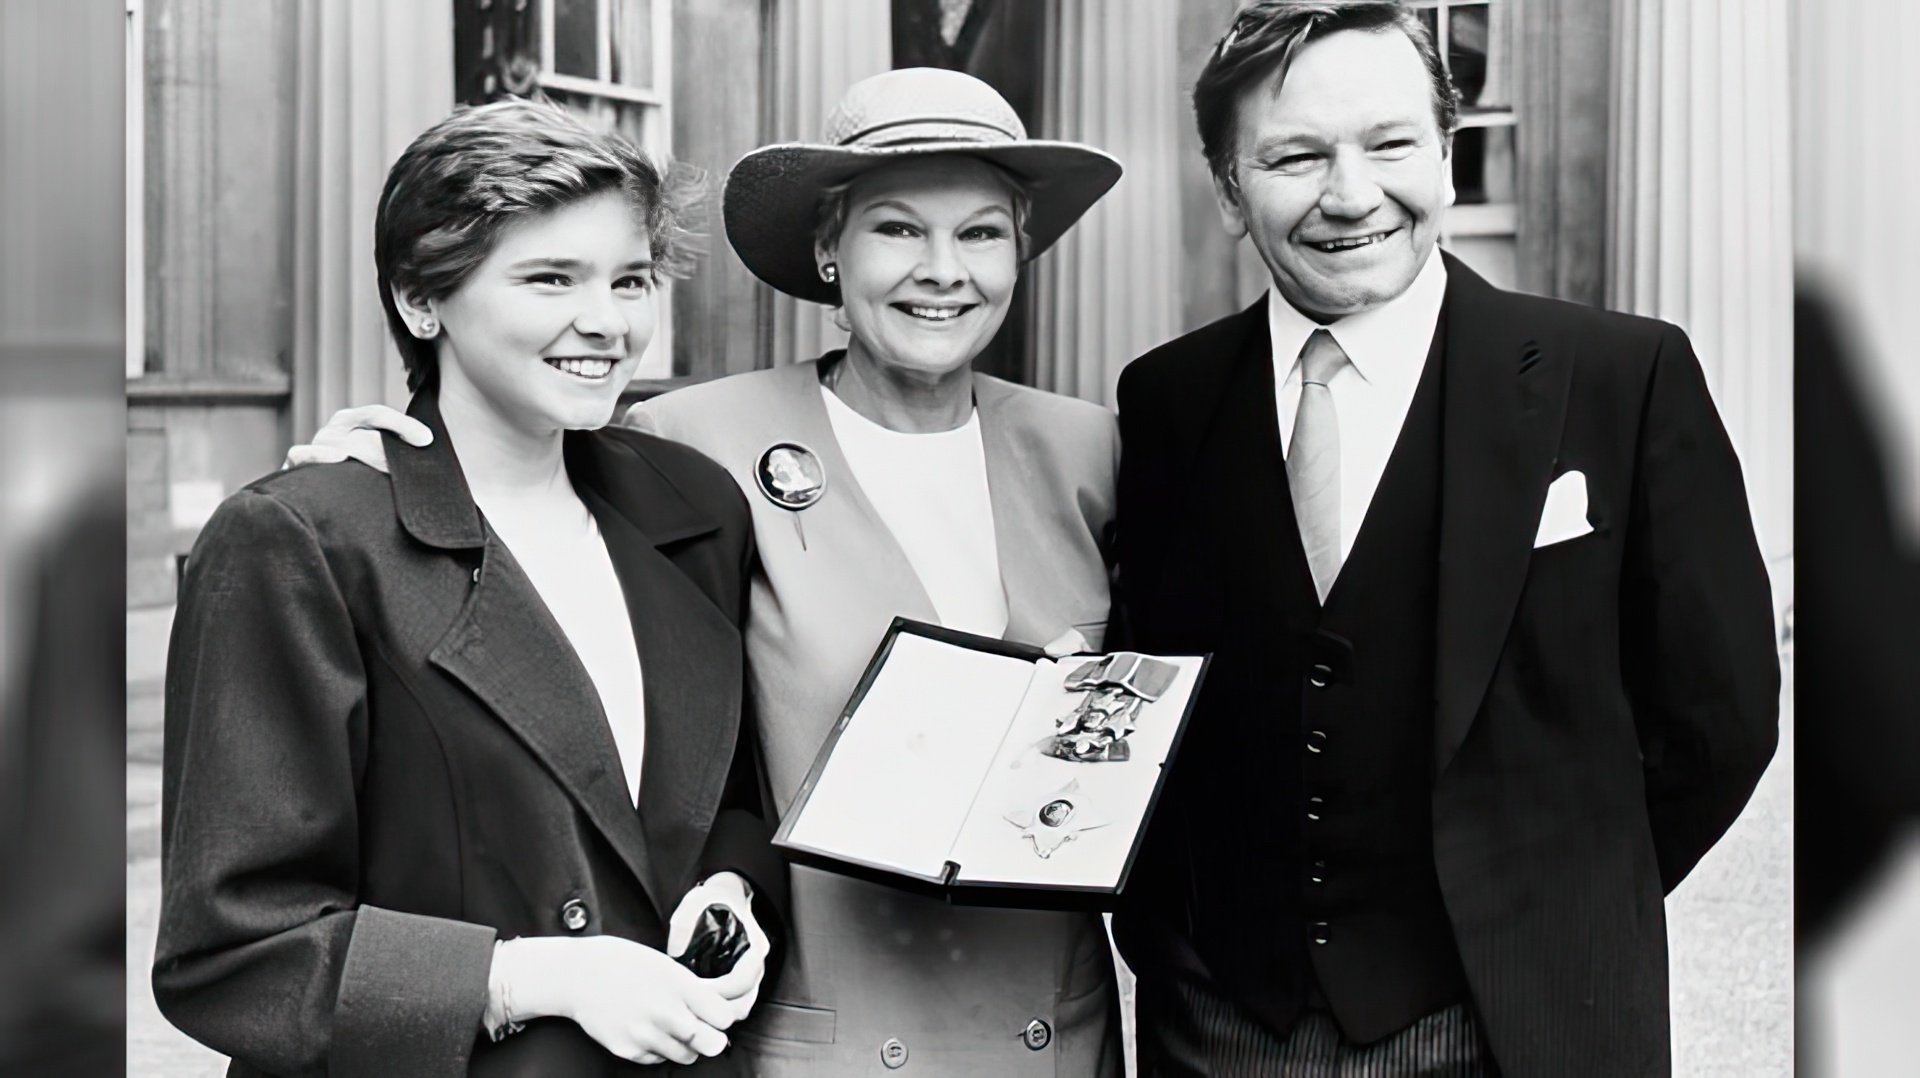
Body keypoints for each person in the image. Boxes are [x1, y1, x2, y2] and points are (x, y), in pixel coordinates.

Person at [287, 68, 1127, 1077]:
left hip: (1049, 1023)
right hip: (826, 1032)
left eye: (983, 233)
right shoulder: (691, 445)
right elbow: (517, 500)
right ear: (828, 247)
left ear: (1022, 250)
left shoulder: (1098, 452)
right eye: (898, 229)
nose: (943, 269)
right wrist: (394, 460)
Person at [1104, 3, 1782, 1075]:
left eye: (1389, 143)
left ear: (1448, 157)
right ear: (1230, 191)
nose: (1351, 193)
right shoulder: (1166, 400)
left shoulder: (1620, 377)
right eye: (1294, 156)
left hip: (1518, 1027)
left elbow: (1721, 718)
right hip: (1224, 1025)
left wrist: (1560, 909)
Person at [154, 99, 787, 1077]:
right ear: (420, 299)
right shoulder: (302, 539)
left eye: (632, 279)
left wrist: (733, 892)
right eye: (549, 279)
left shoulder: (693, 508)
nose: (608, 322)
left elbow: (732, 792)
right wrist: (537, 977)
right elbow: (231, 950)